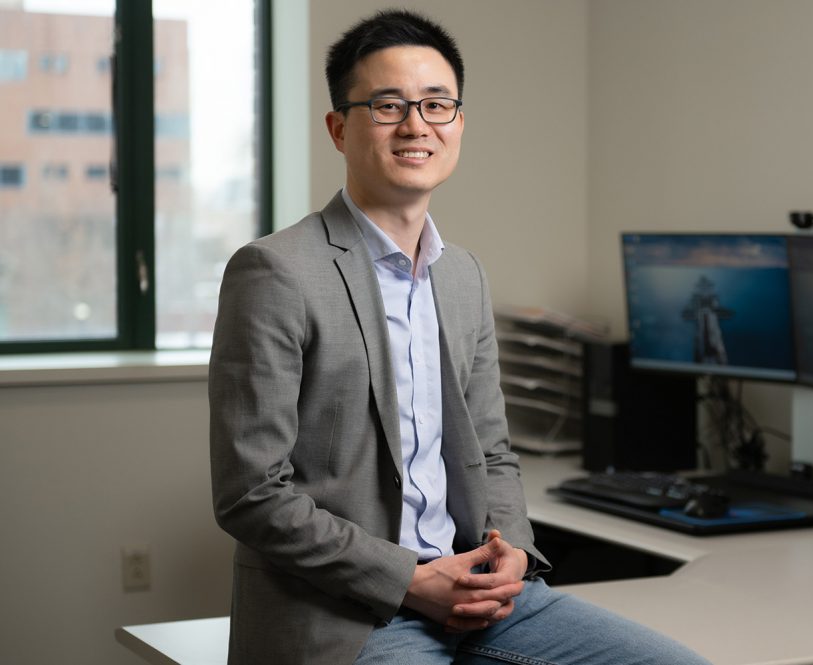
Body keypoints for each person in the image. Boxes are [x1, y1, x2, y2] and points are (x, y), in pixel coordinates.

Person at [209, 9, 711, 665]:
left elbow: (492, 451)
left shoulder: (462, 274)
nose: (417, 125)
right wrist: (410, 580)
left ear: (459, 124)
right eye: (388, 106)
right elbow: (252, 494)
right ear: (338, 128)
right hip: (345, 613)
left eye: (437, 105)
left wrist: (514, 551)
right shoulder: (276, 272)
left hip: (477, 596)